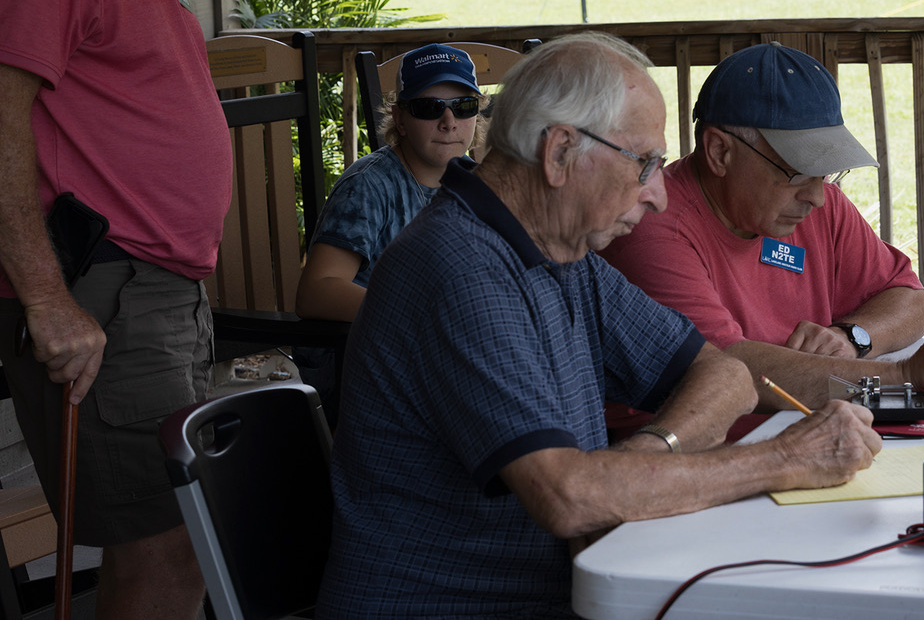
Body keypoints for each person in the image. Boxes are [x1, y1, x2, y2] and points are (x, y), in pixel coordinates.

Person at [317, 32, 882, 619]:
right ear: (560, 153)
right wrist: (785, 458)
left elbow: (726, 374)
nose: (660, 195)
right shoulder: (460, 268)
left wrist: (646, 455)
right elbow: (568, 497)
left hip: (576, 587)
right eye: (645, 163)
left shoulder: (563, 255)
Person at [0, 0, 245, 617]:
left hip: (155, 289)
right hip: (108, 291)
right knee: (164, 545)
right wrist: (44, 297)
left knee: (182, 542)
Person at [601, 42, 924, 430]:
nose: (816, 196)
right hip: (689, 449)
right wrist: (901, 375)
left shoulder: (816, 203)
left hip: (796, 423)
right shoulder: (654, 227)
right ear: (720, 152)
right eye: (796, 171)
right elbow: (725, 368)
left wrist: (852, 337)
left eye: (825, 170)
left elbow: (908, 298)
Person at [293, 43, 482, 420]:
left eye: (463, 107)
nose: (449, 122)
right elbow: (315, 292)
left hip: (438, 356)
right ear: (399, 119)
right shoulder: (370, 186)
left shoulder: (473, 181)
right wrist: (422, 313)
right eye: (430, 108)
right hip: (362, 361)